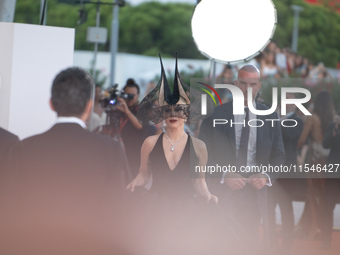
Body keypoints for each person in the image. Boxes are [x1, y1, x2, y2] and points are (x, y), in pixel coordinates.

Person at [127, 56, 251, 255]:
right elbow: (144, 173)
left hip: (186, 210)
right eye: (168, 109)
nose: (173, 113)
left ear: (186, 113)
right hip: (156, 209)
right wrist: (135, 181)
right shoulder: (150, 143)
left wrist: (207, 194)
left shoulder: (199, 146)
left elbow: (199, 181)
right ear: (162, 113)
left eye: (179, 109)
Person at [0, 67, 129, 255]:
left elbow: (10, 212)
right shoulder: (110, 149)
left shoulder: (21, 149)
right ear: (89, 106)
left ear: (52, 104)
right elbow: (118, 214)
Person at [199, 64, 285, 253]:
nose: (248, 89)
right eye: (244, 83)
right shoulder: (215, 114)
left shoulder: (271, 116)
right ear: (236, 84)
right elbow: (200, 153)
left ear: (259, 86)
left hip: (255, 193)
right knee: (219, 242)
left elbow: (279, 156)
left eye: (253, 84)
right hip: (221, 191)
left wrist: (265, 175)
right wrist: (223, 174)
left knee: (249, 243)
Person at [296, 90, 335, 240]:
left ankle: (313, 229)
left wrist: (296, 149)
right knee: (321, 195)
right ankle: (313, 227)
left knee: (312, 195)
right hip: (328, 160)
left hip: (314, 160)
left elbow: (302, 139)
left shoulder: (313, 118)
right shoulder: (333, 118)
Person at [267, 93, 304, 255]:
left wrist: (277, 119)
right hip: (270, 172)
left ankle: (287, 245)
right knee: (268, 209)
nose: (286, 103)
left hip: (288, 173)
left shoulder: (298, 121)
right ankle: (269, 243)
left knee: (286, 210)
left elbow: (291, 135)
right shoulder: (271, 118)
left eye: (290, 100)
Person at [117, 78, 156, 178]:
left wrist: (127, 112)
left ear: (138, 96)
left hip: (134, 156)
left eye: (132, 95)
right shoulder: (118, 110)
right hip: (119, 154)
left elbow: (140, 125)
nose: (129, 98)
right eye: (127, 95)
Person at [320, 115, 340, 249]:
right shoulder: (333, 126)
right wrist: (335, 130)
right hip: (333, 172)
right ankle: (326, 241)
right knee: (327, 207)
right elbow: (325, 143)